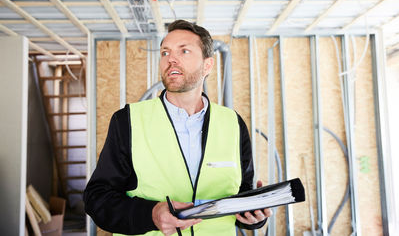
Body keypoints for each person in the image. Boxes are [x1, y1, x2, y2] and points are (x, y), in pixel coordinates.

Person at [84, 19, 272, 236]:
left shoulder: (233, 123)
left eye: (184, 51)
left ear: (207, 65)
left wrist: (254, 218)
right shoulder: (128, 121)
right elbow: (97, 198)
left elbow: (242, 196)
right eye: (165, 52)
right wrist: (151, 215)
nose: (171, 59)